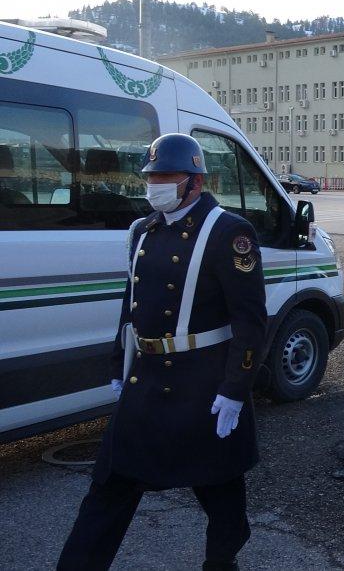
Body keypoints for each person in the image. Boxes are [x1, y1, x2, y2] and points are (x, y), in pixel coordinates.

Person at [58, 133, 268, 571]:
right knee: (110, 485)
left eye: (166, 176)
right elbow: (129, 304)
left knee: (219, 489)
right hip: (148, 379)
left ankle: (222, 560)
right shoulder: (143, 230)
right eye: (151, 175)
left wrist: (235, 389)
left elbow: (250, 322)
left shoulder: (229, 232)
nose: (155, 184)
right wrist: (119, 363)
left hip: (203, 384)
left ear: (195, 181)